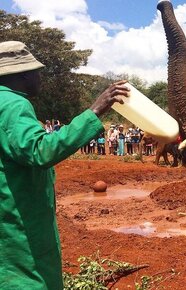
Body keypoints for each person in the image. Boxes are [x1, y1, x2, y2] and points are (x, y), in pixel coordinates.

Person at [0, 41, 129, 289]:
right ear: (22, 73)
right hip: (19, 228)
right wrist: (94, 111)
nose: (41, 78)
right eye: (37, 72)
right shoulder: (12, 105)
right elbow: (40, 150)